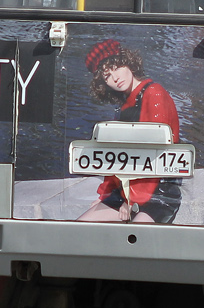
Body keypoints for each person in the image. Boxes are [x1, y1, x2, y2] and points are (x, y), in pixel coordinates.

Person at [77, 39, 183, 223]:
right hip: (127, 190)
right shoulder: (126, 105)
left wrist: (130, 201)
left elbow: (155, 155)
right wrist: (105, 196)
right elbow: (117, 157)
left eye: (117, 68)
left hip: (159, 193)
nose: (115, 77)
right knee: (79, 227)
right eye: (107, 76)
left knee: (136, 234)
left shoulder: (154, 93)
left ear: (129, 63)